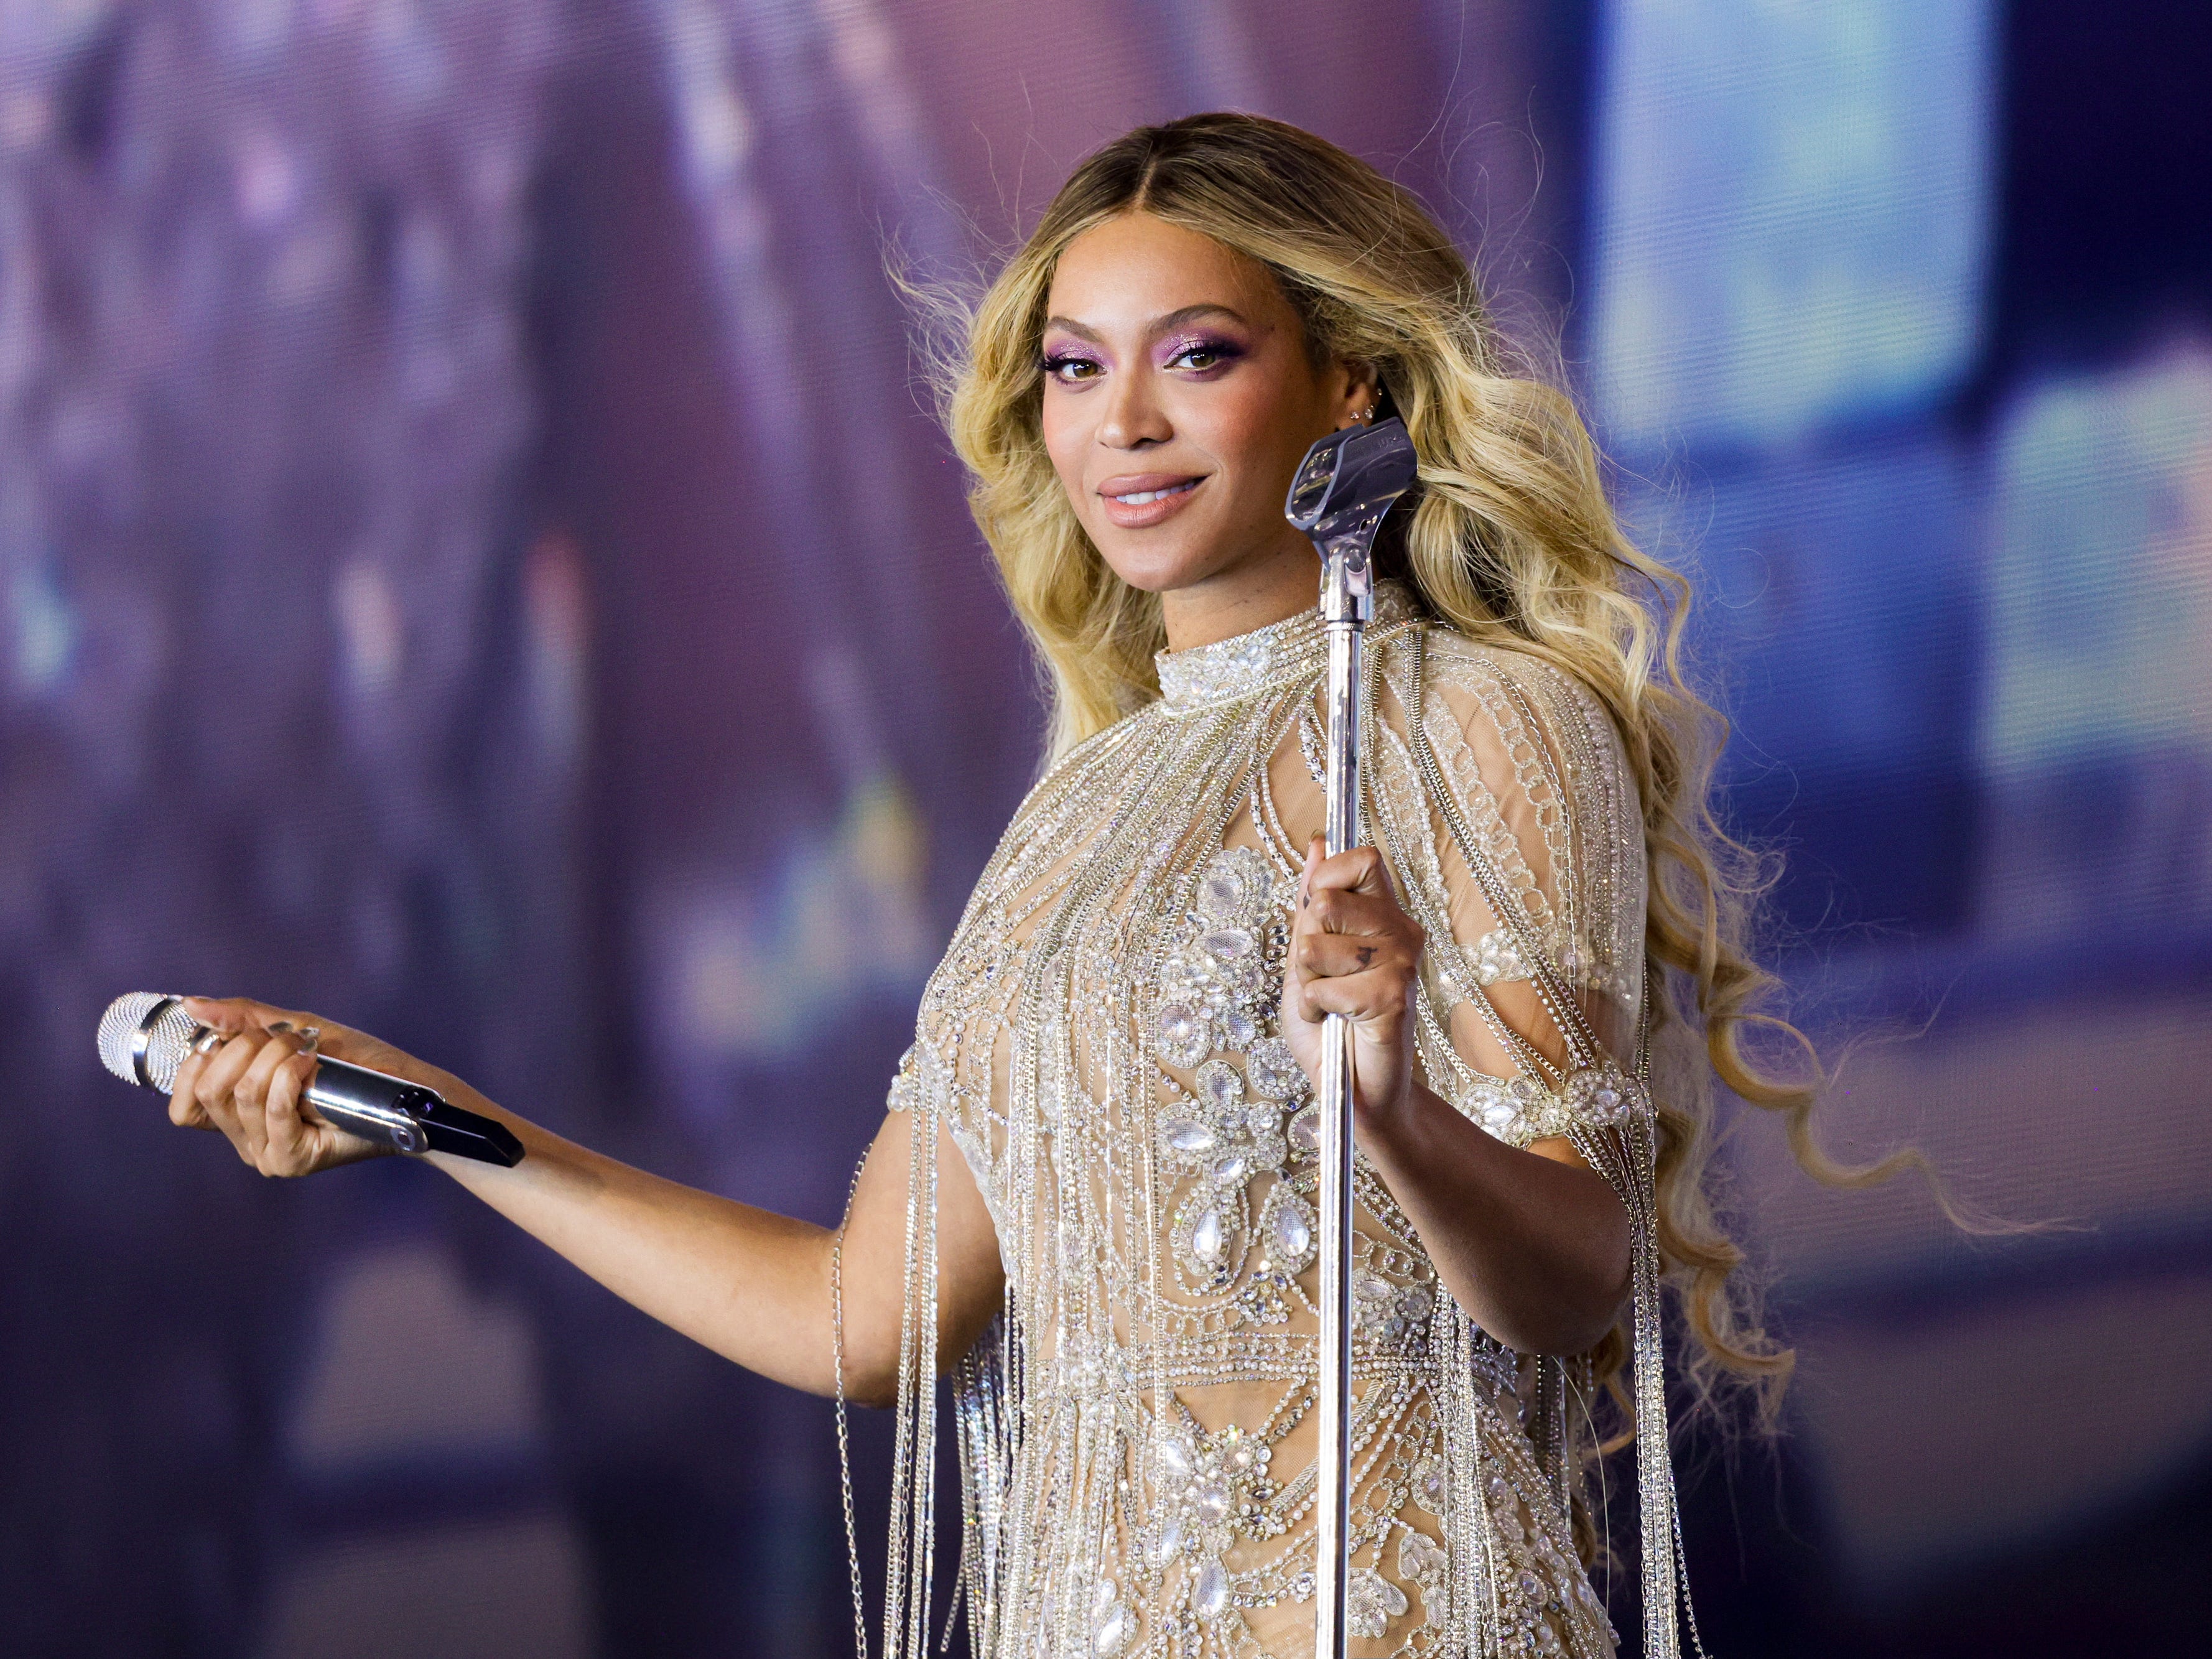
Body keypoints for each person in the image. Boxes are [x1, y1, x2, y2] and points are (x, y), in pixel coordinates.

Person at [169, 113, 1835, 1659]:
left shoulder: (1478, 716)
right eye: (1072, 367)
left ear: (1347, 386)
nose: (1122, 424)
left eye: (1196, 357)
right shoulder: (1077, 809)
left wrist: (1394, 1111)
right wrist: (429, 1110)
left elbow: (1573, 1278)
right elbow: (863, 1314)